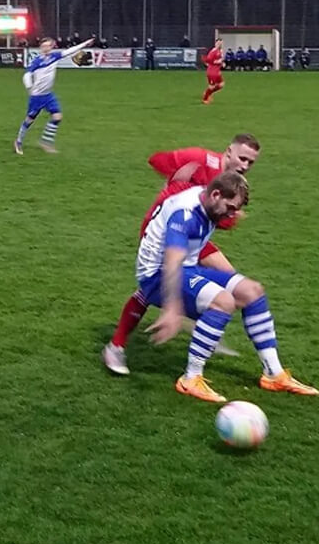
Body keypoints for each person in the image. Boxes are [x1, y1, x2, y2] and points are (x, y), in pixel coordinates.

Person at [133, 172, 318, 402]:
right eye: (230, 207)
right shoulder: (185, 214)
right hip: (158, 275)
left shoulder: (210, 200)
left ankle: (273, 374)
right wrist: (172, 308)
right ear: (216, 195)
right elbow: (172, 260)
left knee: (252, 292)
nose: (231, 215)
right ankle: (190, 378)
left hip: (186, 268)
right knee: (223, 301)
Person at [103, 134, 262, 374]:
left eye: (251, 162)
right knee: (156, 285)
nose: (245, 166)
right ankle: (117, 346)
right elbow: (156, 160)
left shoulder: (232, 185)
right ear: (228, 151)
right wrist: (174, 182)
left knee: (233, 282)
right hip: (168, 228)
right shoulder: (199, 160)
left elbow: (219, 220)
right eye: (242, 158)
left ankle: (206, 324)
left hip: (193, 236)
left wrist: (230, 217)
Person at [15, 36, 95, 155]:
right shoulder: (37, 61)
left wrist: (85, 43)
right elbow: (27, 75)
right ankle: (18, 141)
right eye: (44, 46)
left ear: (52, 47)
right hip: (37, 96)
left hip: (48, 95)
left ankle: (45, 142)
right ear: (41, 47)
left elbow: (70, 51)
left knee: (57, 117)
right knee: (29, 120)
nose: (46, 48)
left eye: (49, 46)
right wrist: (29, 87)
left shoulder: (54, 56)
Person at [202, 38, 225, 104]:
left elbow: (220, 60)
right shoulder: (213, 51)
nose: (220, 44)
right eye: (218, 43)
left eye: (221, 43)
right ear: (215, 43)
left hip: (217, 71)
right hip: (212, 72)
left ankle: (208, 93)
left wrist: (222, 63)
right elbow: (208, 60)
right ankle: (205, 99)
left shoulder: (220, 51)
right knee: (211, 86)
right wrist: (217, 62)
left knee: (221, 85)